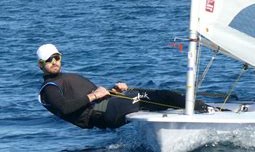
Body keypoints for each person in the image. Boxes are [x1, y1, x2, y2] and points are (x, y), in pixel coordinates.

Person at [36, 44, 209, 129]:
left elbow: (91, 98)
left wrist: (113, 91)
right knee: (156, 96)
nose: (54, 62)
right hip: (102, 113)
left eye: (56, 57)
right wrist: (94, 96)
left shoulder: (64, 78)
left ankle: (191, 111)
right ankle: (204, 109)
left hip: (108, 107)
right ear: (40, 65)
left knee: (152, 97)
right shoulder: (49, 88)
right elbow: (65, 108)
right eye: (49, 60)